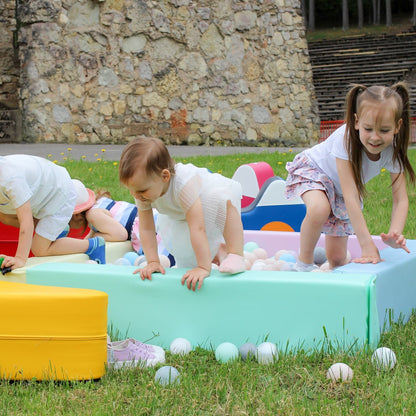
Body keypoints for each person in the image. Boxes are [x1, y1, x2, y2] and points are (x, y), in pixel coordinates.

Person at [285, 82, 415, 271]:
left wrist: (395, 234)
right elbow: (351, 195)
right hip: (316, 171)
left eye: (384, 130)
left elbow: (401, 198)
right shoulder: (345, 140)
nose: (375, 137)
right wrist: (366, 244)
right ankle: (303, 265)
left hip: (340, 190)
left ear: (397, 126)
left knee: (337, 258)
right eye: (368, 129)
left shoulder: (393, 151)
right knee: (320, 208)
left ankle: (334, 270)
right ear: (356, 122)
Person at [119, 136, 246, 291]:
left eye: (141, 190)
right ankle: (218, 251)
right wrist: (153, 261)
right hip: (179, 213)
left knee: (225, 203)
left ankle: (235, 254)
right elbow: (146, 229)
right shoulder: (143, 191)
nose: (136, 195)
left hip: (205, 200)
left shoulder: (183, 185)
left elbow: (197, 228)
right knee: (184, 252)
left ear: (164, 176)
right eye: (131, 190)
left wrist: (203, 267)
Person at [0, 155, 106, 271]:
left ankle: (93, 245)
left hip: (60, 193)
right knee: (4, 217)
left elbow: (26, 222)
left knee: (39, 248)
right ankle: (52, 231)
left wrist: (20, 258)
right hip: (41, 193)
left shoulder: (12, 180)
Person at [68, 180, 172, 262]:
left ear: (76, 216)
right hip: (152, 218)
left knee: (166, 254)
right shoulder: (99, 204)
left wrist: (94, 237)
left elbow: (120, 234)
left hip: (148, 226)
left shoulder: (93, 215)